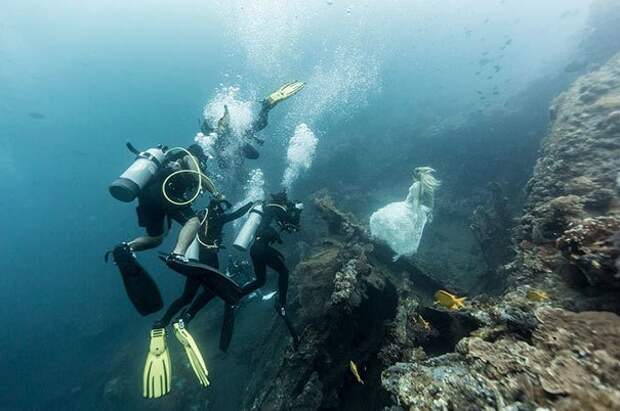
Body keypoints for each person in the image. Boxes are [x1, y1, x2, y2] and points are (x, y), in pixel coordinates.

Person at [142, 199, 254, 398]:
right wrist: (252, 203)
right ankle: (184, 320)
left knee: (186, 296)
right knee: (210, 291)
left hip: (194, 259)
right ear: (218, 208)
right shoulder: (218, 217)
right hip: (209, 259)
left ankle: (162, 323)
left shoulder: (199, 216)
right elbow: (236, 215)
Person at [107, 144, 221, 316]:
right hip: (164, 189)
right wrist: (216, 193)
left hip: (146, 196)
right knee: (192, 221)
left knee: (157, 237)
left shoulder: (166, 163)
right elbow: (196, 175)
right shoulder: (190, 156)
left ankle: (126, 248)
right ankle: (178, 255)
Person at [200, 81, 305, 162]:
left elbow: (221, 138)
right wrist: (255, 139)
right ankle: (266, 107)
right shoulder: (235, 142)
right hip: (234, 134)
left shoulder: (215, 142)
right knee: (258, 126)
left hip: (227, 133)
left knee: (239, 136)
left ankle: (265, 108)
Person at [241, 191, 303, 315]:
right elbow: (294, 223)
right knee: (284, 272)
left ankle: (237, 293)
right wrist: (297, 210)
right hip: (263, 249)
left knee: (260, 281)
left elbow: (286, 225)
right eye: (285, 201)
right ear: (281, 201)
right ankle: (282, 304)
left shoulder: (267, 210)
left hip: (255, 249)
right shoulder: (277, 209)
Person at [369, 167, 441, 260]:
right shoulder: (426, 187)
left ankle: (382, 246)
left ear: (414, 177)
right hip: (419, 212)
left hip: (410, 208)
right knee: (404, 232)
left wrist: (414, 215)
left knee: (389, 222)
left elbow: (416, 201)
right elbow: (429, 205)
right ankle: (393, 249)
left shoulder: (417, 185)